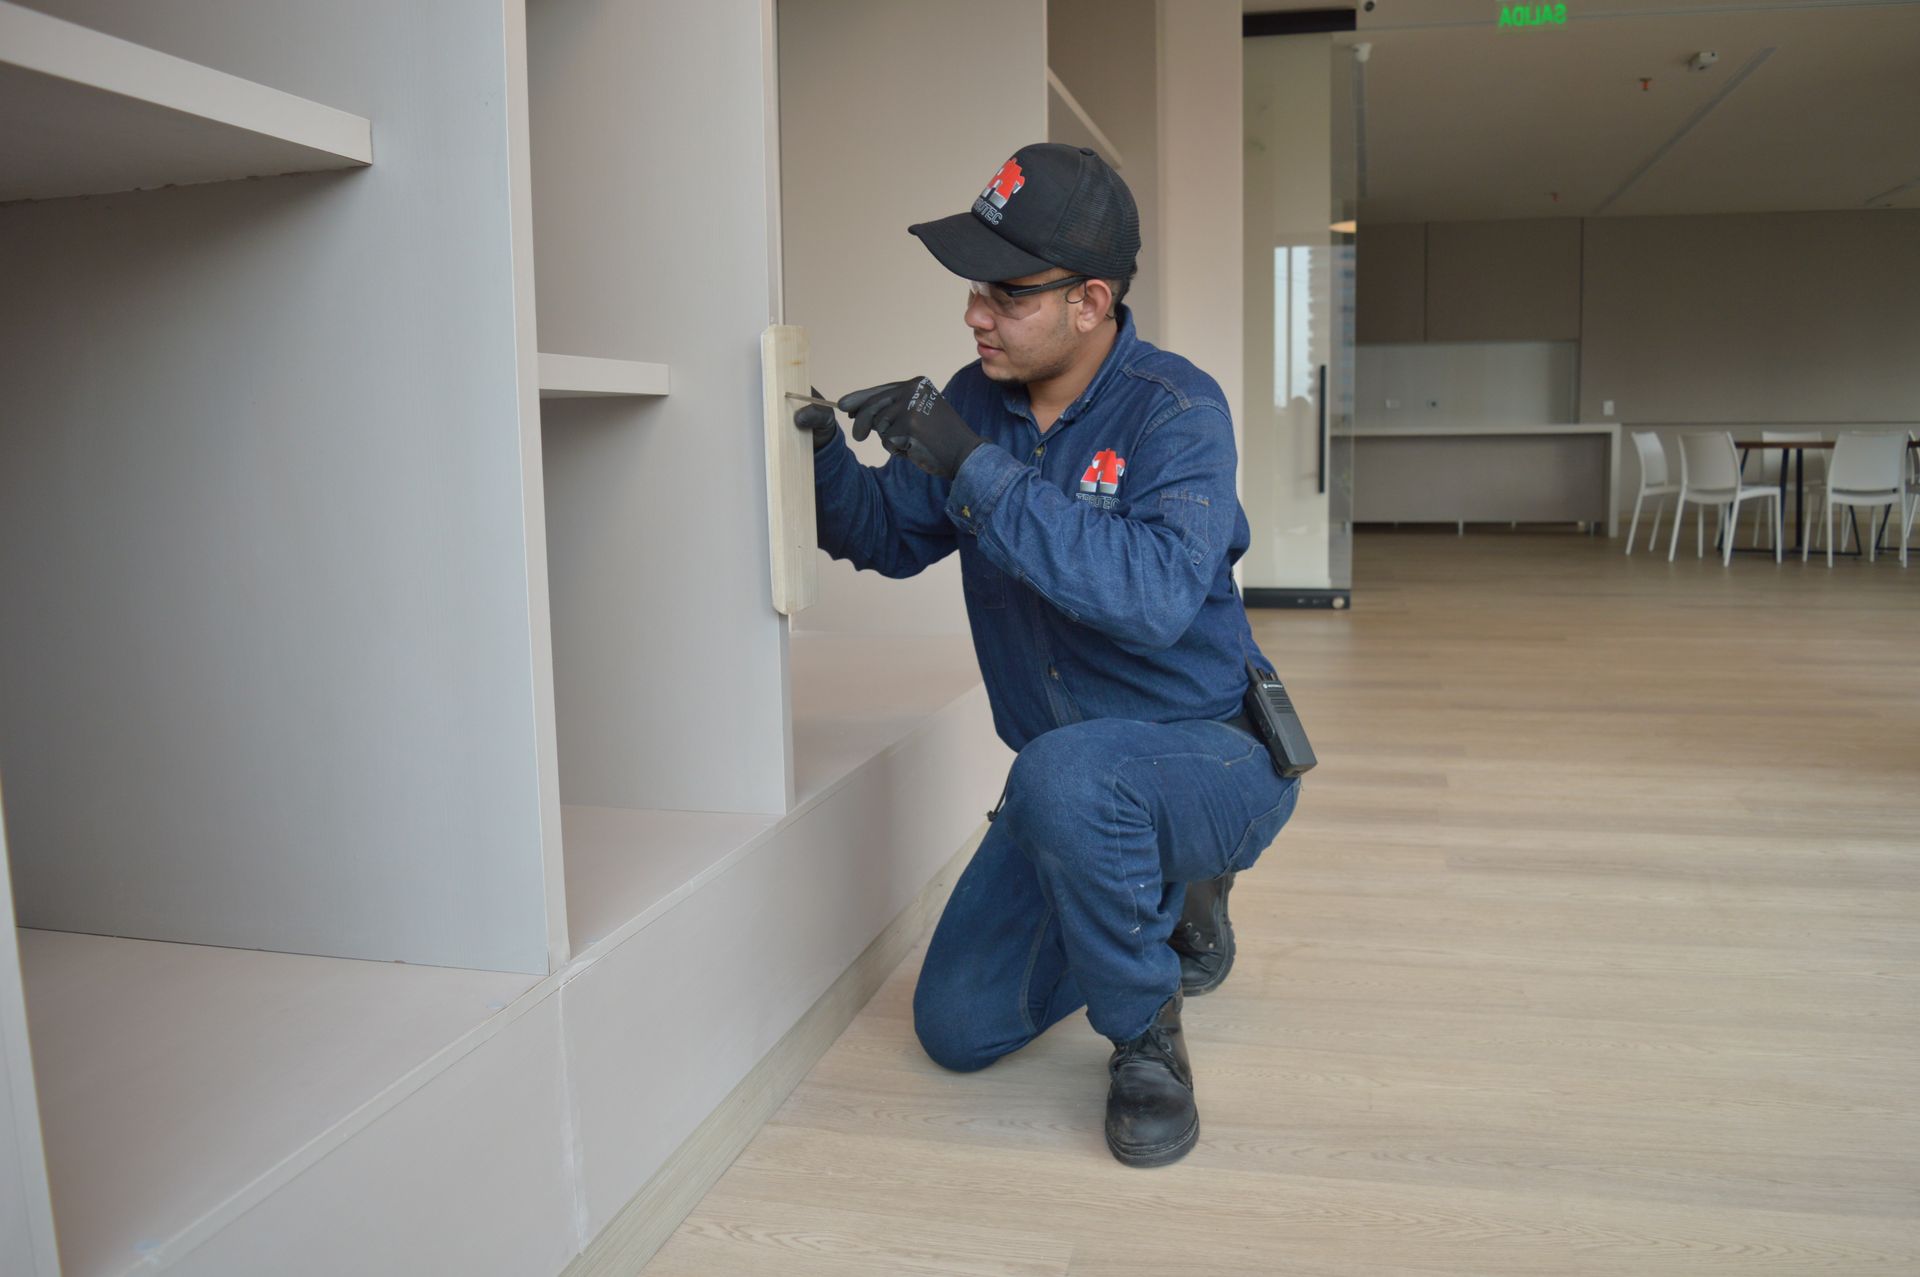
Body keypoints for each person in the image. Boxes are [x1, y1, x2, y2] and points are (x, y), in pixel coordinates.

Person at [793, 142, 1301, 1168]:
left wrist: (969, 468)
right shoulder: (979, 401)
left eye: (1008, 292)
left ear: (1091, 300)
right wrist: (814, 453)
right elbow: (891, 538)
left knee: (1064, 776)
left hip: (1211, 752)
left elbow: (1153, 597)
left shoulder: (1177, 408)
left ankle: (1148, 1028)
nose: (976, 313)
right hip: (1072, 782)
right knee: (957, 1024)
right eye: (976, 287)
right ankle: (1147, 888)